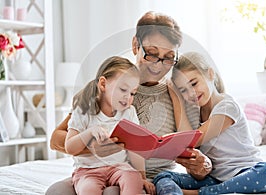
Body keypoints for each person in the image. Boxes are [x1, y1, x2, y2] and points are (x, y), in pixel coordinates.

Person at [47, 11, 212, 195]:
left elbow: (191, 154)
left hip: (147, 178)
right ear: (135, 45)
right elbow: (56, 139)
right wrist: (91, 147)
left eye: (168, 57)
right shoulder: (111, 85)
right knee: (56, 191)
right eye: (151, 54)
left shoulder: (179, 92)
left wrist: (201, 167)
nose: (158, 65)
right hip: (97, 170)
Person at [153, 51, 266, 195]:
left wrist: (176, 99)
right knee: (163, 177)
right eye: (183, 90)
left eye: (194, 83)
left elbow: (192, 140)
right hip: (214, 179)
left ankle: (199, 193)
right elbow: (188, 147)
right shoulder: (195, 115)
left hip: (246, 173)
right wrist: (176, 98)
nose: (191, 93)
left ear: (210, 74)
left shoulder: (227, 106)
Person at [64, 56, 155, 195]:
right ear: (103, 84)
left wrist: (142, 177)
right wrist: (89, 132)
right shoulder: (83, 110)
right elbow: (69, 147)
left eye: (132, 93)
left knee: (133, 178)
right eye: (123, 89)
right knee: (88, 189)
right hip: (88, 171)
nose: (128, 97)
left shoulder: (129, 113)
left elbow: (134, 149)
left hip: (119, 168)